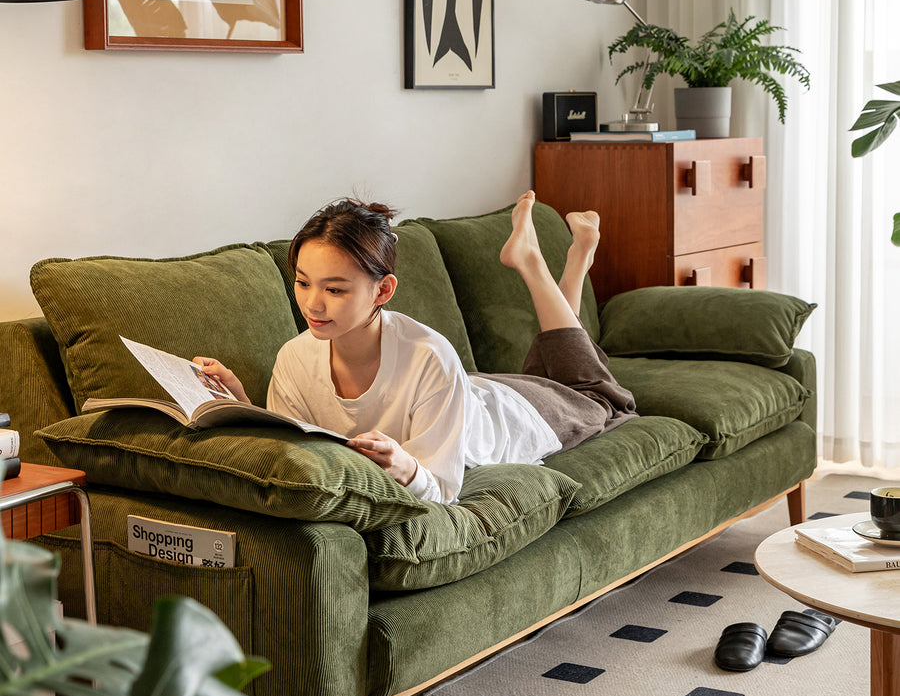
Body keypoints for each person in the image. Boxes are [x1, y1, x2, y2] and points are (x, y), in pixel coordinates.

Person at [195, 191, 637, 505]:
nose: (312, 303)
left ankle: (535, 263)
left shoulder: (428, 354)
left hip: (510, 414)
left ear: (383, 290)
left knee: (601, 397)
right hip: (461, 392)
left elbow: (443, 490)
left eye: (335, 289)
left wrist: (404, 467)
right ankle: (575, 259)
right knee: (564, 369)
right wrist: (242, 405)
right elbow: (295, 454)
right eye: (303, 282)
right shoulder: (294, 358)